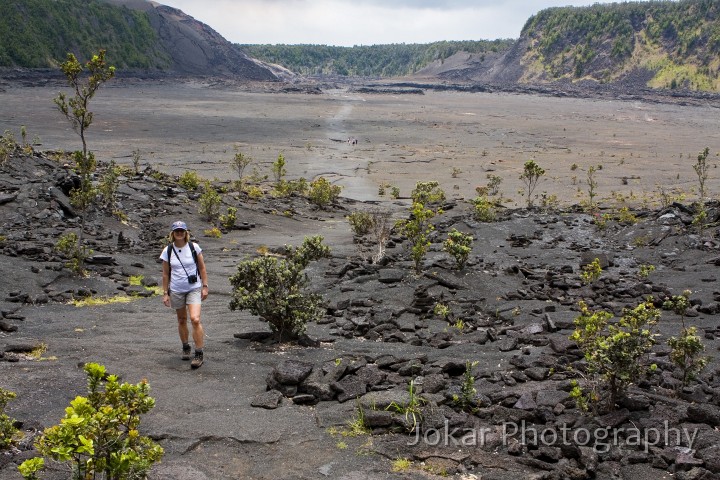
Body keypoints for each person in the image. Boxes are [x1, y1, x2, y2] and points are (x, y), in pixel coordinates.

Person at [160, 221, 209, 369]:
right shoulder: (167, 251)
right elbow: (165, 273)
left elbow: (202, 267)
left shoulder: (194, 247)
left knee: (195, 319)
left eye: (182, 231)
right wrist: (165, 293)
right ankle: (186, 346)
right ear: (173, 233)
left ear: (186, 232)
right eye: (177, 231)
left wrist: (205, 286)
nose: (179, 233)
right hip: (176, 290)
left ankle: (199, 353)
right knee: (182, 319)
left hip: (193, 288)